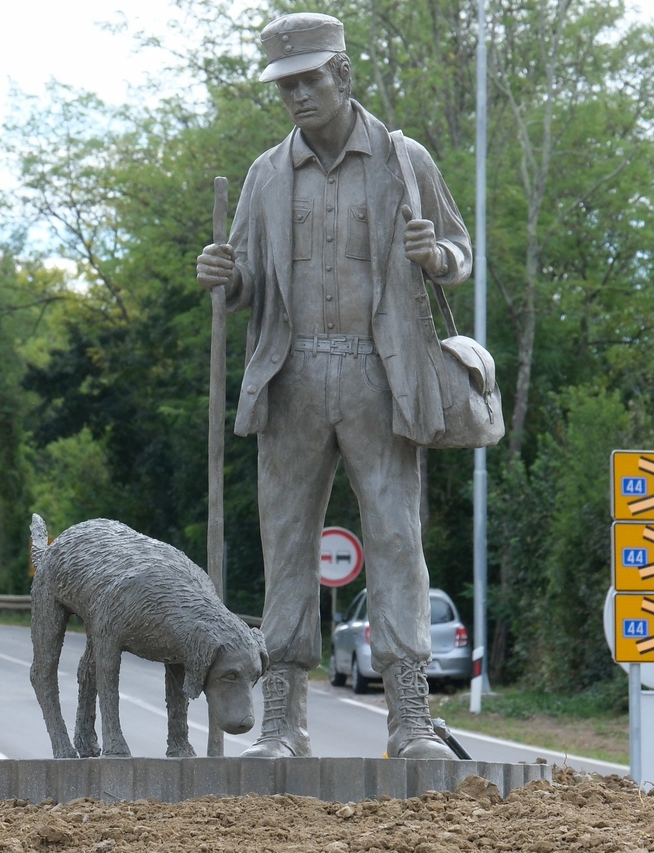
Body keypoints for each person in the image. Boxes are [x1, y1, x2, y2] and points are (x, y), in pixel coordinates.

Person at [196, 12, 472, 760]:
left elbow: (460, 251)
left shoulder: (403, 160)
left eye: (308, 80)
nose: (296, 96)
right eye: (284, 85)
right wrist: (226, 278)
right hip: (290, 377)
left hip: (381, 374)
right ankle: (283, 721)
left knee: (394, 535)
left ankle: (410, 718)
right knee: (285, 542)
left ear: (342, 76)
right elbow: (248, 281)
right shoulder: (263, 175)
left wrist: (437, 256)